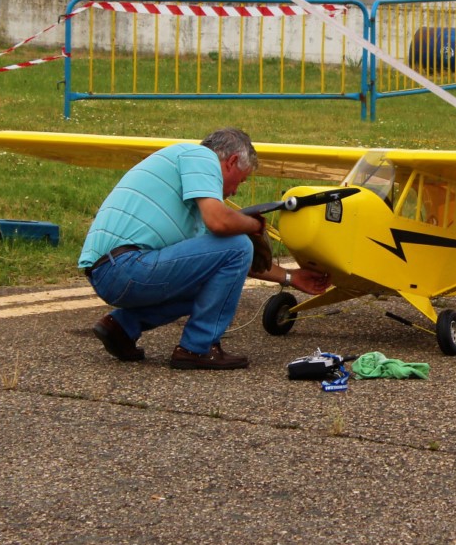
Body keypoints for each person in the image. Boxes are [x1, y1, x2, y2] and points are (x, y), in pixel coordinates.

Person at [78, 127, 331, 369]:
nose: (233, 190)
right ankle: (198, 348)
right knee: (239, 245)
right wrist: (252, 225)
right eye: (240, 181)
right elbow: (223, 226)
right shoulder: (200, 156)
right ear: (231, 161)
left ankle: (121, 328)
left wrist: (291, 277)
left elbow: (228, 265)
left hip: (111, 273)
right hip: (126, 267)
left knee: (216, 275)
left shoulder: (190, 199)